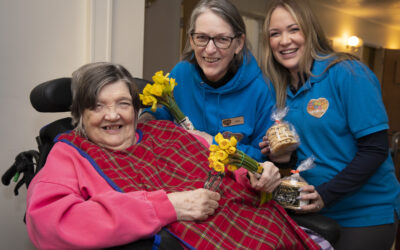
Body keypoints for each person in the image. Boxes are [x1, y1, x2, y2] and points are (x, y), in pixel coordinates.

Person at [25, 62, 319, 249]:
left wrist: (254, 173)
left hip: (256, 229)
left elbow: (225, 166)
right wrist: (166, 206)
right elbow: (49, 225)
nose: (112, 115)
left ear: (137, 110)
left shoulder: (167, 132)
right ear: (79, 114)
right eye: (97, 106)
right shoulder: (69, 153)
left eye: (123, 103)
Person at [260, 0, 400, 249]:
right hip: (314, 214)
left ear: (310, 31)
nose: (284, 40)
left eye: (294, 29)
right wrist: (282, 157)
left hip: (364, 215)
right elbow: (308, 157)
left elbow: (375, 150)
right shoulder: (280, 91)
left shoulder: (347, 73)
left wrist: (326, 194)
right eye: (275, 33)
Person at [140, 0, 274, 163]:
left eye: (222, 39)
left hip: (236, 183)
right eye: (202, 37)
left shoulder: (261, 89)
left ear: (238, 43)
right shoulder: (180, 74)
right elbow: (166, 114)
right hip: (182, 176)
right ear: (191, 40)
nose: (210, 49)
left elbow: (263, 159)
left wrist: (212, 143)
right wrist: (148, 116)